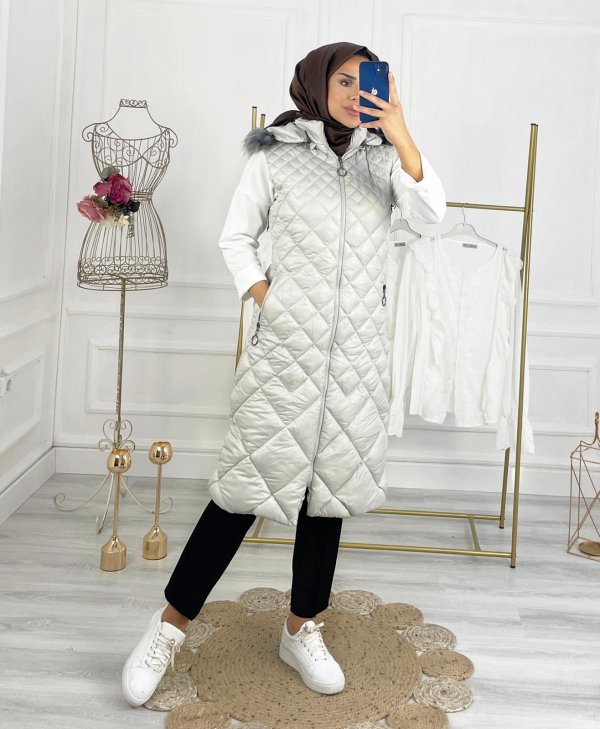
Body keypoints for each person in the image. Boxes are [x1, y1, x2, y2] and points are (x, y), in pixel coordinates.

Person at [121, 41, 446, 707]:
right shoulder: (275, 152)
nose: (355, 94)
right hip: (286, 352)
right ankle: (168, 626)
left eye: (366, 83)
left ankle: (301, 629)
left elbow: (428, 218)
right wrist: (270, 298)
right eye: (344, 81)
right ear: (316, 83)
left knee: (328, 498)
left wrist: (401, 133)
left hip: (355, 359)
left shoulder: (385, 158)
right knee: (242, 489)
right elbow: (236, 238)